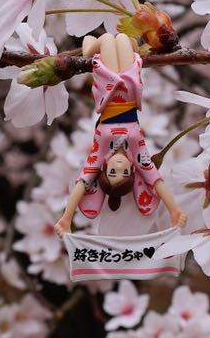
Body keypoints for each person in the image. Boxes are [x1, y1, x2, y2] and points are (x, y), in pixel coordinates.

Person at [54, 32, 186, 237]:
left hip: (107, 92)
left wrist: (66, 217)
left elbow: (83, 181)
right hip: (130, 89)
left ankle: (89, 48)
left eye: (112, 173)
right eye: (124, 174)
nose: (118, 168)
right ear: (132, 169)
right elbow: (154, 179)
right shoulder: (137, 152)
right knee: (123, 39)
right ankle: (95, 46)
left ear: (104, 168)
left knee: (107, 39)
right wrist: (174, 210)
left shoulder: (100, 153)